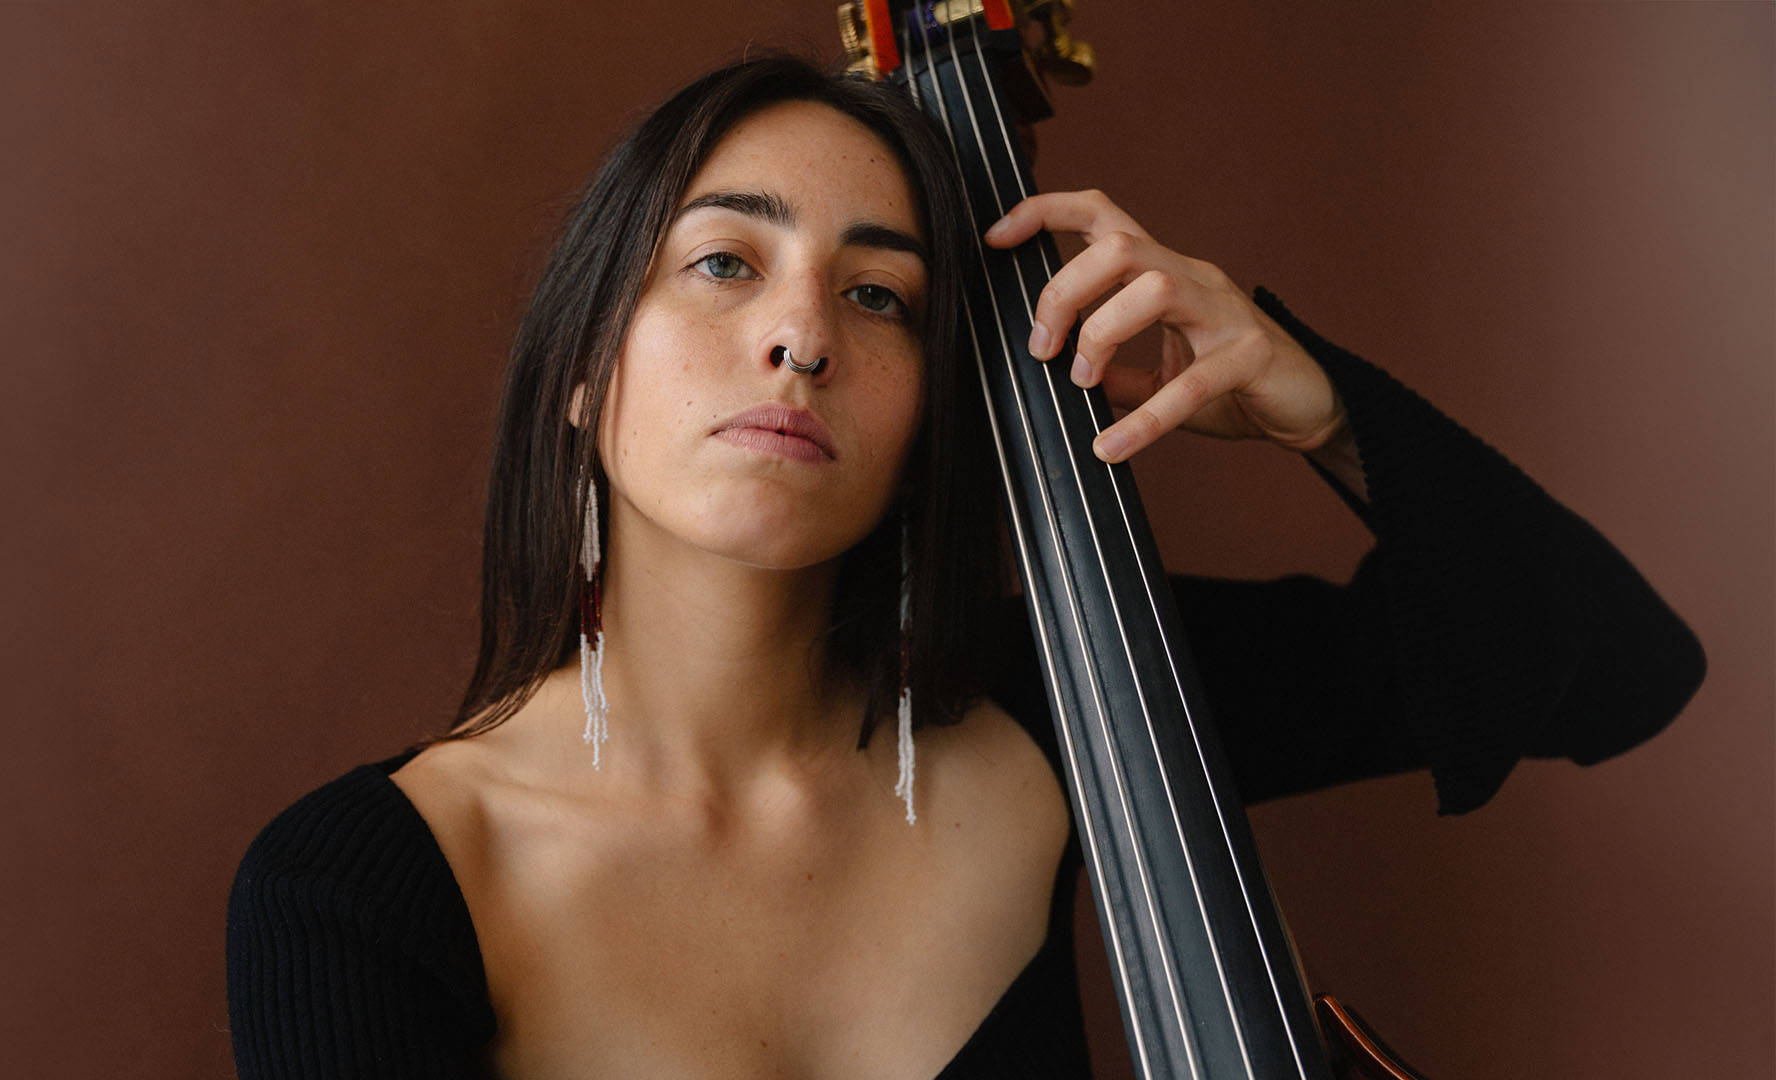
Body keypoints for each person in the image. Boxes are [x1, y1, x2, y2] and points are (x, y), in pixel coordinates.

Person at [224, 55, 1704, 1079]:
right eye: (725, 262)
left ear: (934, 412)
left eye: (880, 296)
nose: (802, 336)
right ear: (579, 370)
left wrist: (1318, 406)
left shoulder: (1068, 704)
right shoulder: (362, 893)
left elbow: (1618, 668)